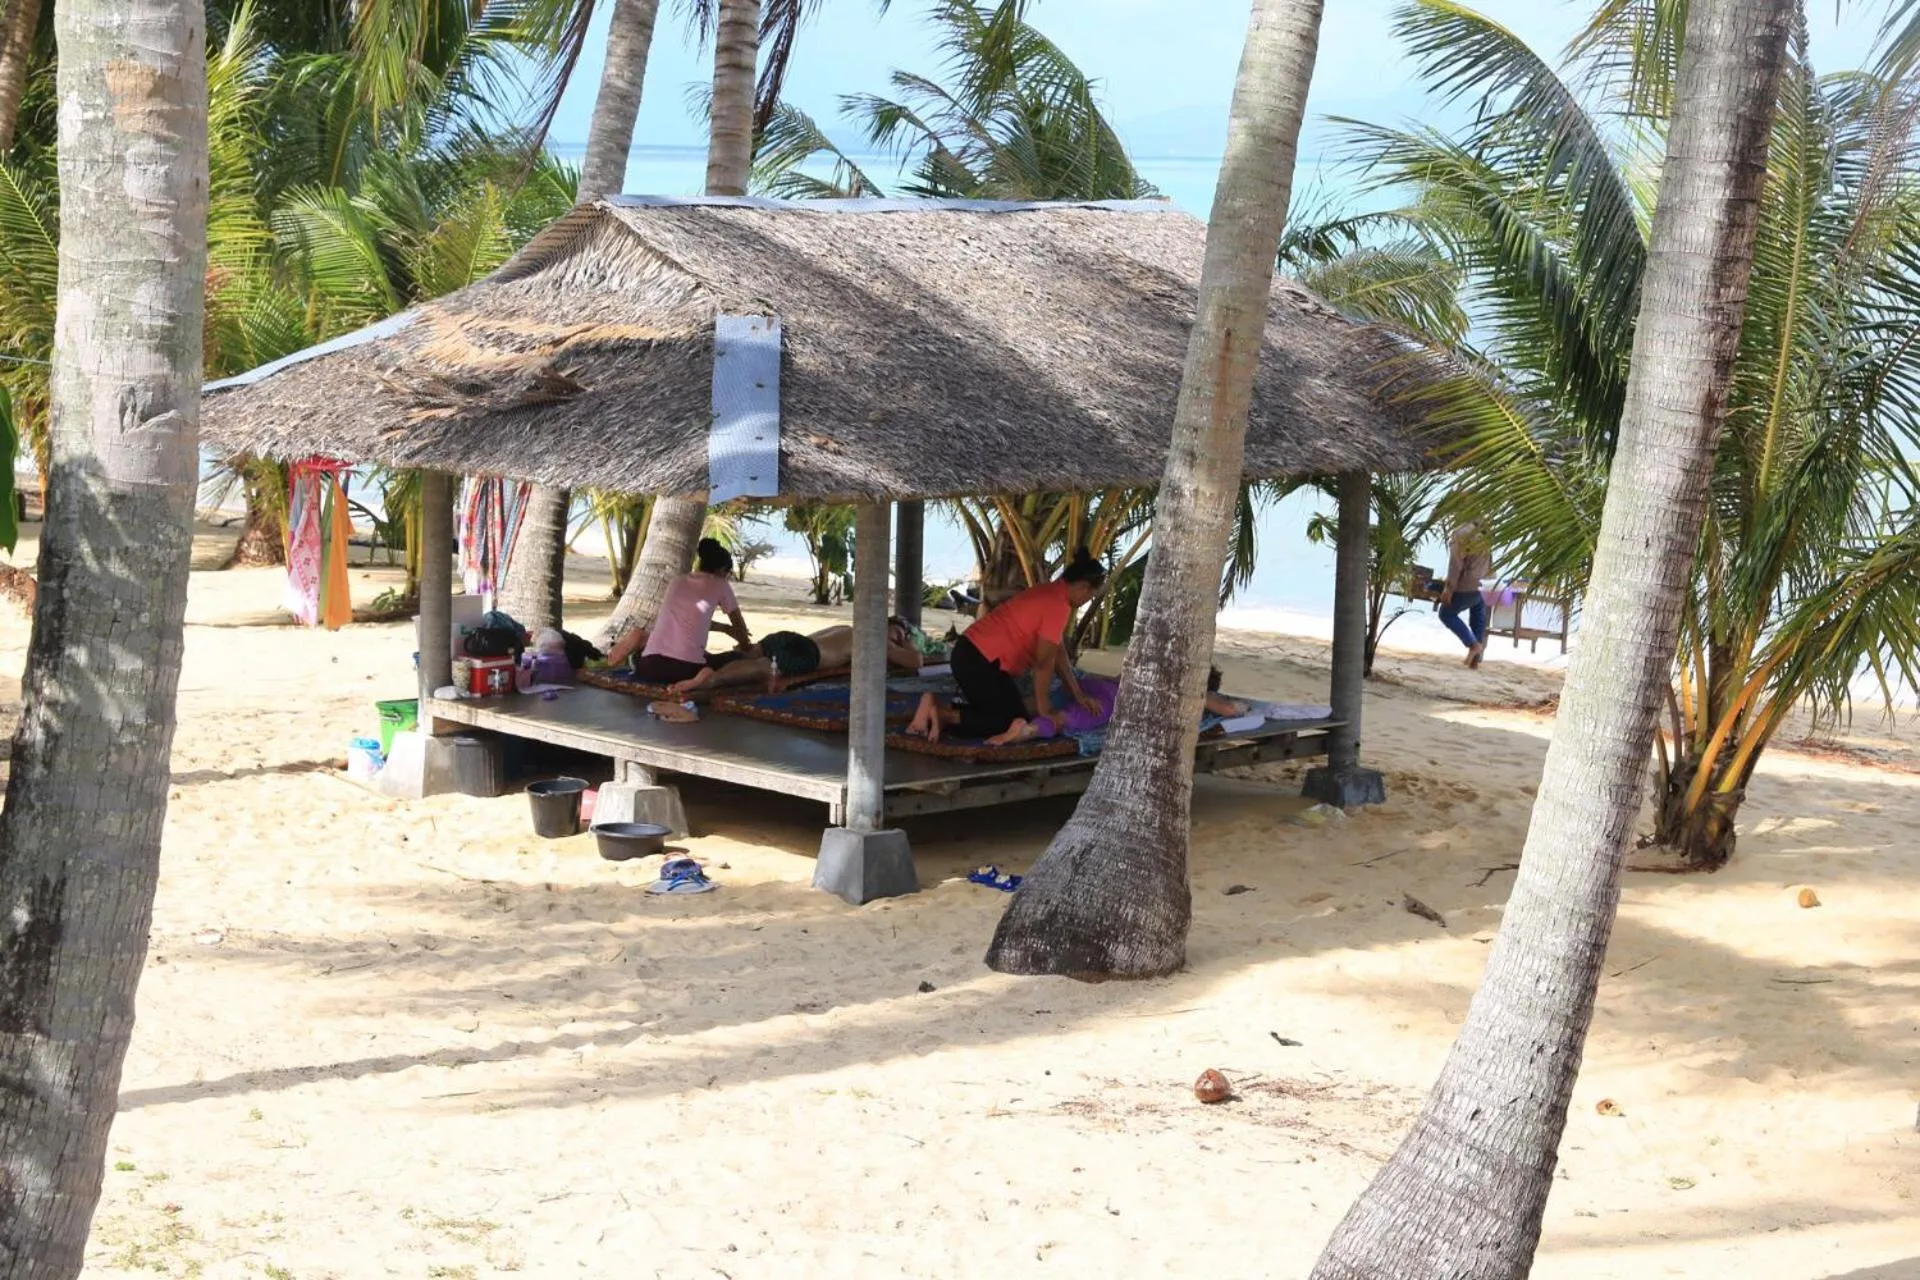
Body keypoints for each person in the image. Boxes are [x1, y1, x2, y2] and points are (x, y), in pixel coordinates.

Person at [905, 549, 1106, 743]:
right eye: (1091, 596)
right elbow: (1044, 663)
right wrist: (1045, 709)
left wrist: (1078, 694)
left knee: (1007, 712)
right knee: (1008, 722)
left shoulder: (1051, 593)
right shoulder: (1057, 604)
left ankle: (933, 706)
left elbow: (1058, 653)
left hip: (972, 654)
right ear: (1083, 587)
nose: (1086, 601)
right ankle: (942, 715)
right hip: (978, 660)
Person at [604, 538, 752, 684]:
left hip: (648, 666)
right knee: (735, 659)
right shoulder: (721, 585)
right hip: (685, 670)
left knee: (646, 650)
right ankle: (699, 678)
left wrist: (725, 629)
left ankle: (636, 647)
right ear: (722, 570)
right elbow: (741, 629)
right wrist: (745, 647)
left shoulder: (677, 581)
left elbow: (687, 619)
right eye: (728, 573)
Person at [977, 667, 1249, 745]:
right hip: (1109, 702)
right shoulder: (1190, 692)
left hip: (1096, 685)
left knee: (1037, 704)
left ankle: (985, 714)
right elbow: (1228, 710)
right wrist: (1241, 706)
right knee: (1061, 719)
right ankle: (1023, 732)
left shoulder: (1156, 666)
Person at [668, 621, 926, 696]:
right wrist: (906, 642)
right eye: (897, 633)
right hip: (808, 653)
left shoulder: (847, 628)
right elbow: (917, 662)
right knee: (760, 668)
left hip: (793, 638)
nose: (897, 639)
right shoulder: (875, 639)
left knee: (746, 654)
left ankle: (705, 666)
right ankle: (707, 681)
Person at [1439, 520, 1494, 668]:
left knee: (1446, 614)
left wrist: (1448, 588)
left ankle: (1472, 645)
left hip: (1469, 585)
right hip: (1485, 583)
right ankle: (1475, 659)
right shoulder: (1483, 532)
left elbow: (1455, 565)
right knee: (1478, 618)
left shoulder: (1460, 532)